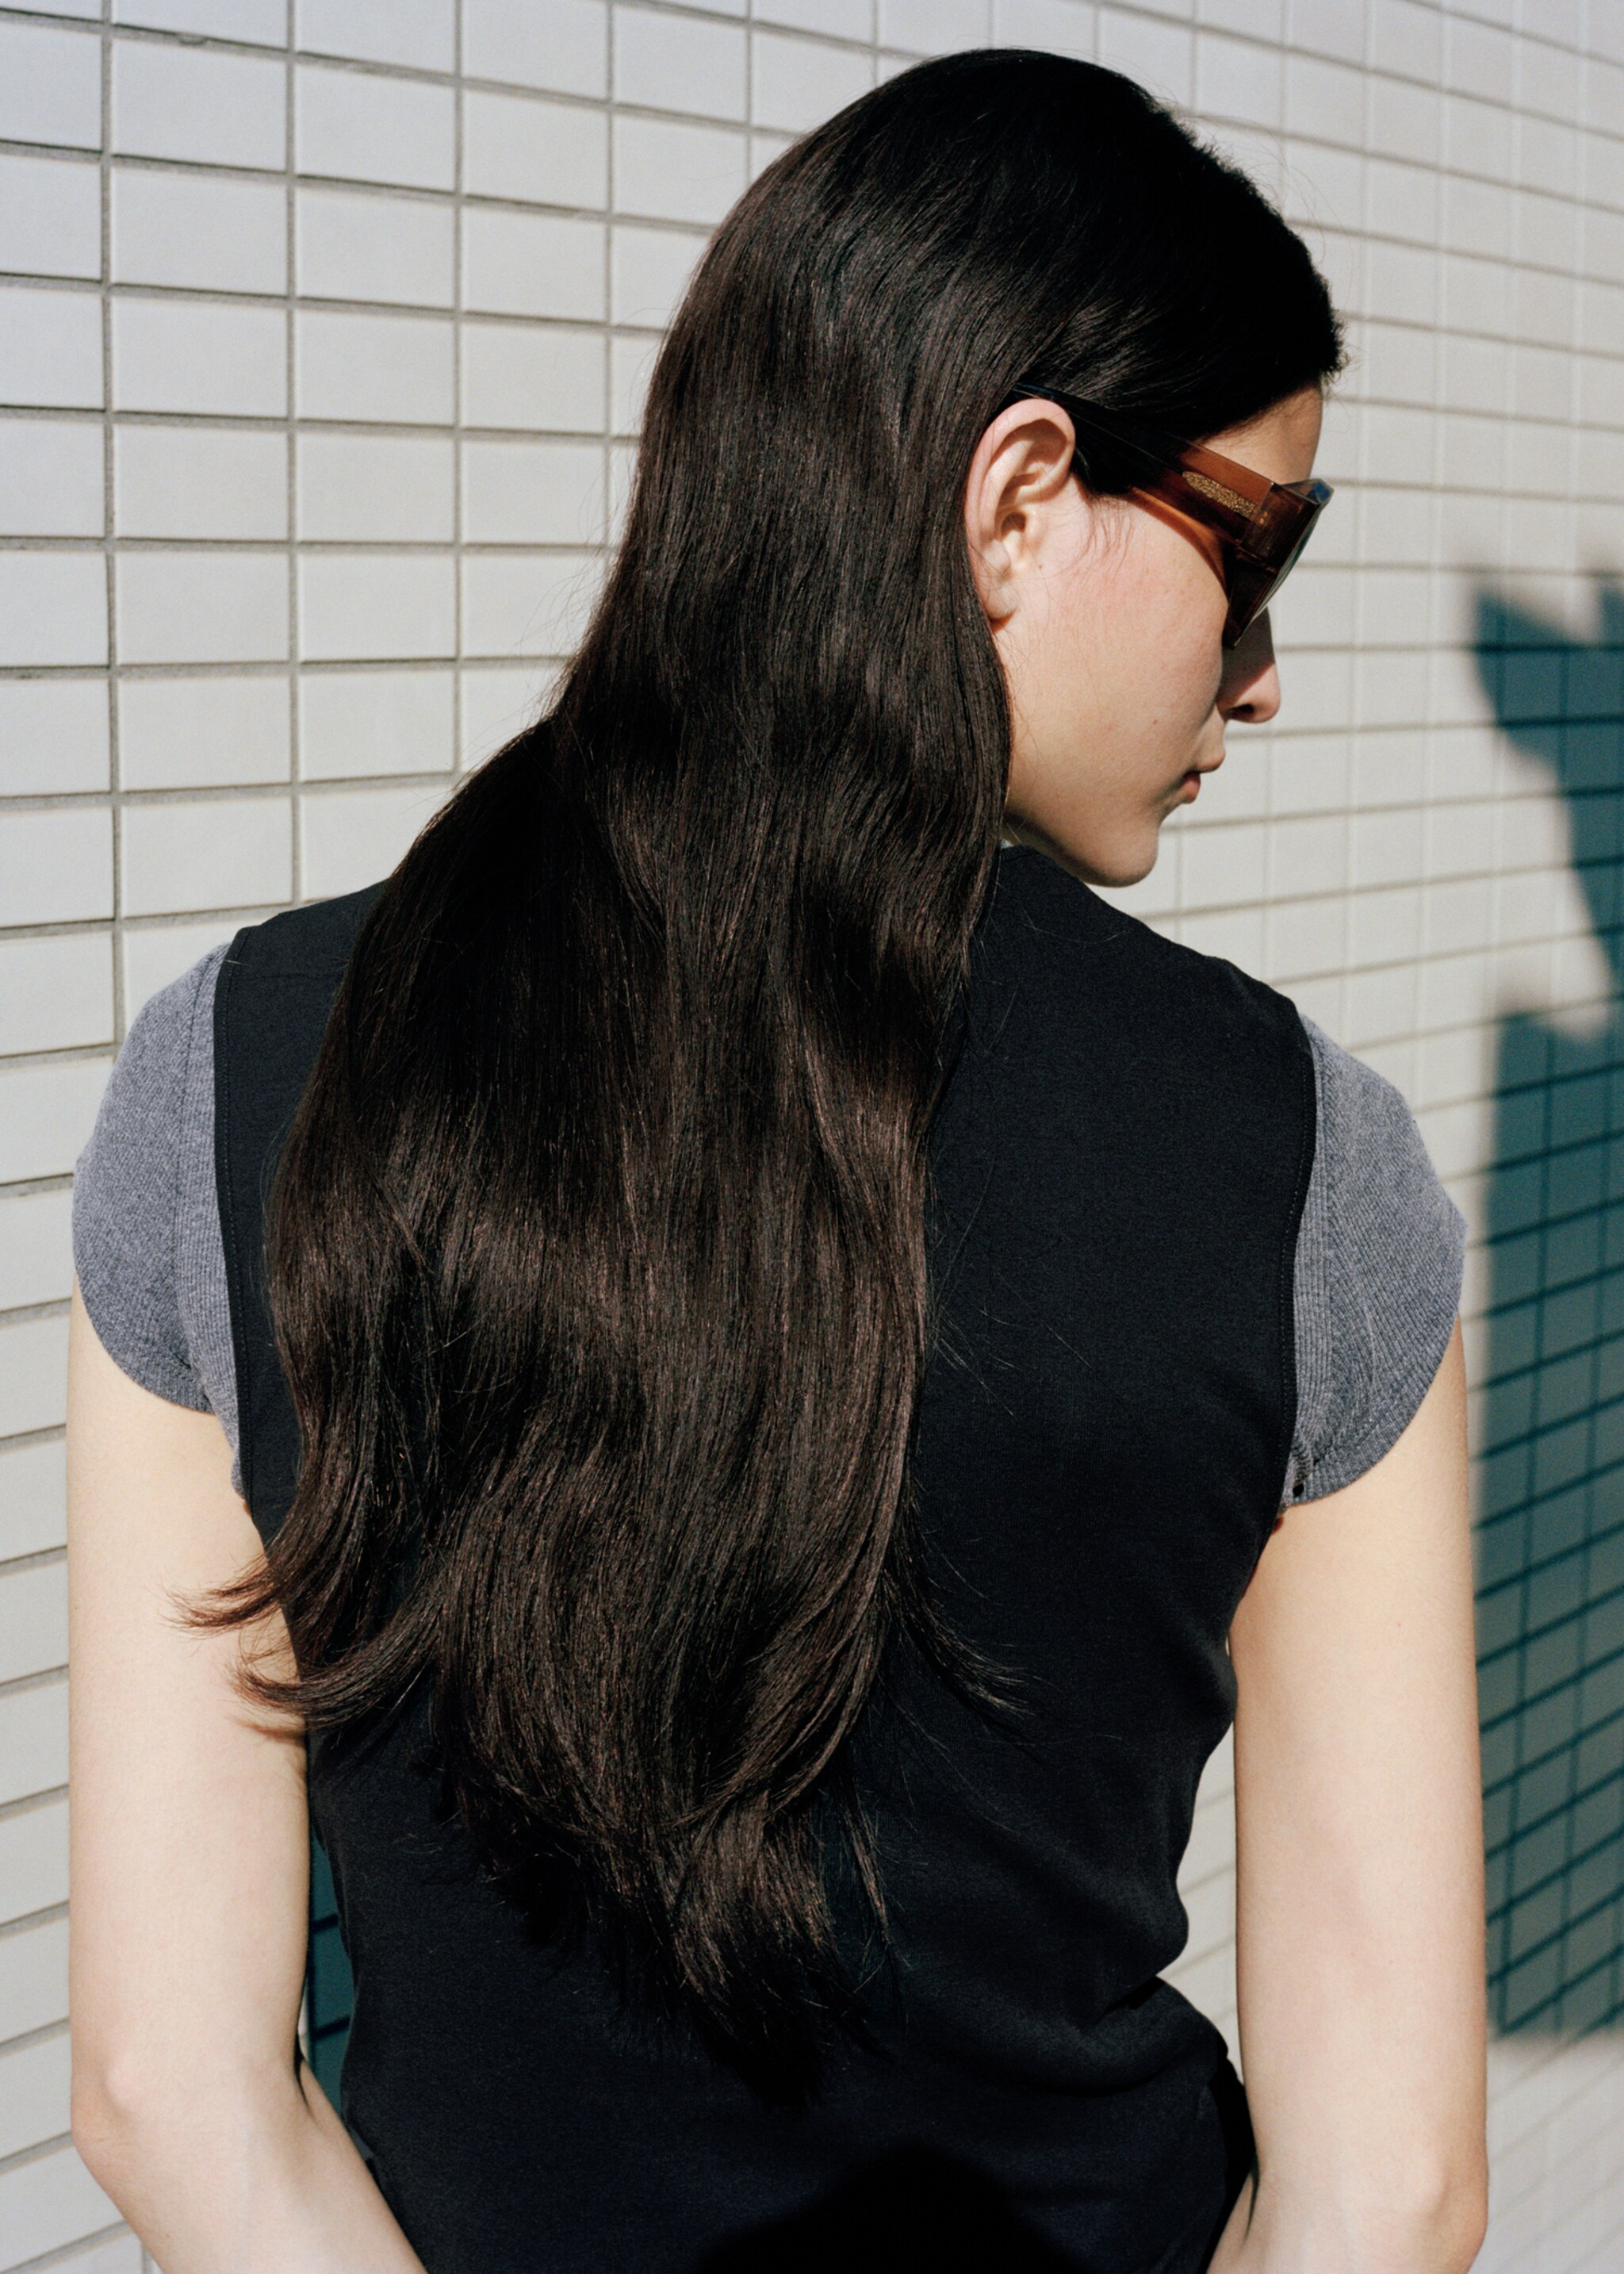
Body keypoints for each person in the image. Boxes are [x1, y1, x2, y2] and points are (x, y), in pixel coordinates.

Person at [64, 48, 1488, 2274]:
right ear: (1019, 495)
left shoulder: (231, 1077)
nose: (1265, 672)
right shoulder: (1308, 1165)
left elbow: (171, 2087)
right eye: (1257, 547)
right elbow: (1388, 2183)